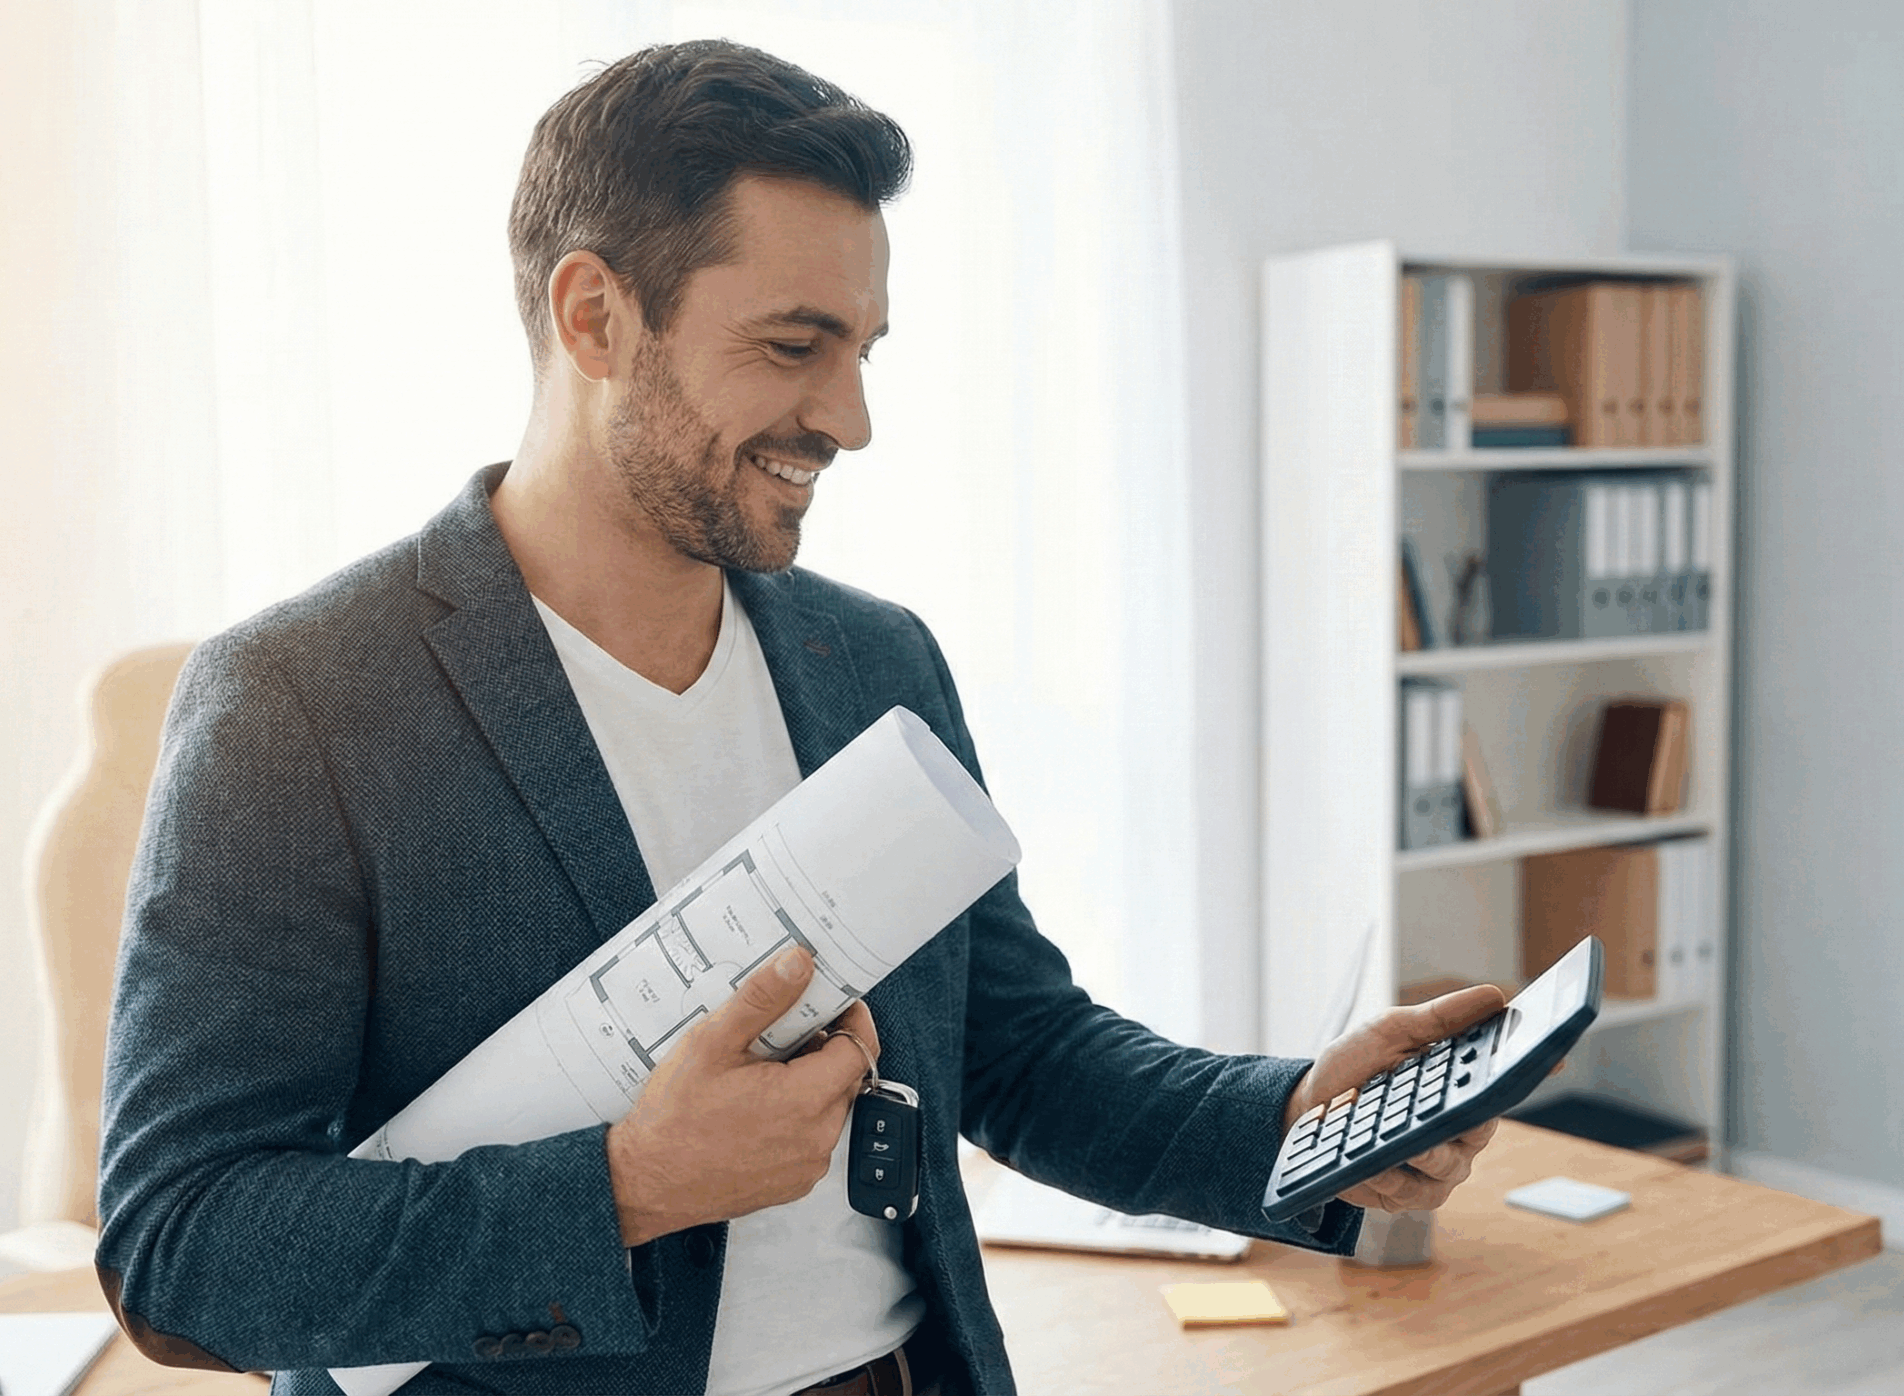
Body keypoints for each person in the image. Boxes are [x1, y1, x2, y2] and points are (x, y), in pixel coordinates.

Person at [94, 38, 1505, 1396]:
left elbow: (1015, 1049)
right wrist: (626, 1188)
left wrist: (1294, 1121)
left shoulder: (871, 660)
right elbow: (181, 1246)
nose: (851, 416)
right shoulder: (301, 703)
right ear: (594, 316)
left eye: (866, 349)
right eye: (794, 345)